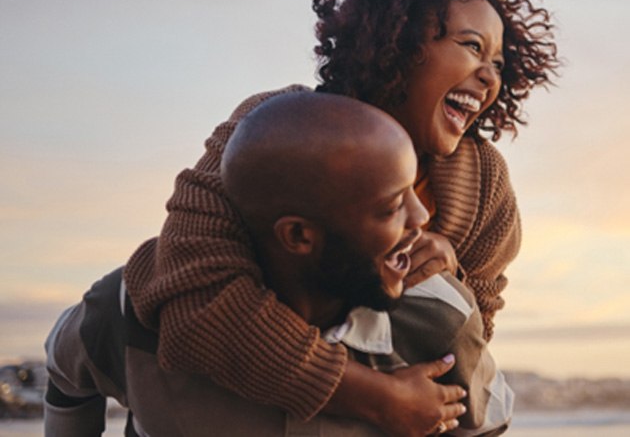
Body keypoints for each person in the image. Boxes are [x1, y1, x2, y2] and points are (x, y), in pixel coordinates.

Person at [123, 0, 559, 436]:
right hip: (221, 402)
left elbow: (470, 344)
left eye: (499, 61)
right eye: (471, 46)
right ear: (399, 41)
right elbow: (194, 299)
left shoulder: (484, 183)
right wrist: (373, 397)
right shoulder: (273, 129)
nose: (490, 76)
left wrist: (452, 279)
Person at [45, 93, 511, 436]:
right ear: (298, 235)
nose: (423, 218)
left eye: (415, 188)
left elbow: (487, 424)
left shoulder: (439, 318)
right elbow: (65, 372)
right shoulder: (135, 308)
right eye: (391, 207)